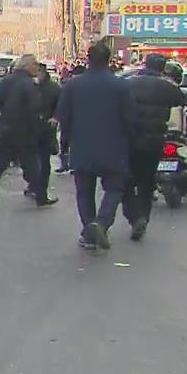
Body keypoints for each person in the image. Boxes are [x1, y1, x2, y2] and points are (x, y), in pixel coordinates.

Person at [57, 41, 137, 250]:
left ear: (88, 59)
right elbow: (130, 119)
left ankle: (89, 232)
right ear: (109, 60)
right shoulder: (121, 86)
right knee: (114, 188)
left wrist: (64, 146)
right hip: (114, 147)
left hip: (82, 146)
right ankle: (101, 222)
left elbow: (63, 118)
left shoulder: (73, 85)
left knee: (84, 192)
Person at [122, 53, 185, 241]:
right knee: (147, 183)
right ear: (163, 68)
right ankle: (143, 218)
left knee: (124, 182)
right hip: (154, 143)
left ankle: (134, 217)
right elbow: (183, 100)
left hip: (130, 141)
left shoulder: (129, 83)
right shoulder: (167, 87)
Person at [0, 54, 56, 207]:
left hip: (6, 127)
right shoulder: (29, 84)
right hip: (24, 130)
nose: (37, 67)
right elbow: (34, 109)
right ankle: (41, 196)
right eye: (35, 64)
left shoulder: (7, 81)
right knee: (33, 165)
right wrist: (40, 128)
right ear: (27, 66)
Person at [32, 63, 61, 203]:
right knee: (32, 161)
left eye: (39, 72)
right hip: (30, 128)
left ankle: (40, 192)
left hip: (46, 129)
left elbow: (60, 105)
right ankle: (35, 188)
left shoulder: (53, 88)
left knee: (43, 162)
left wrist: (55, 117)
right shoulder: (29, 86)